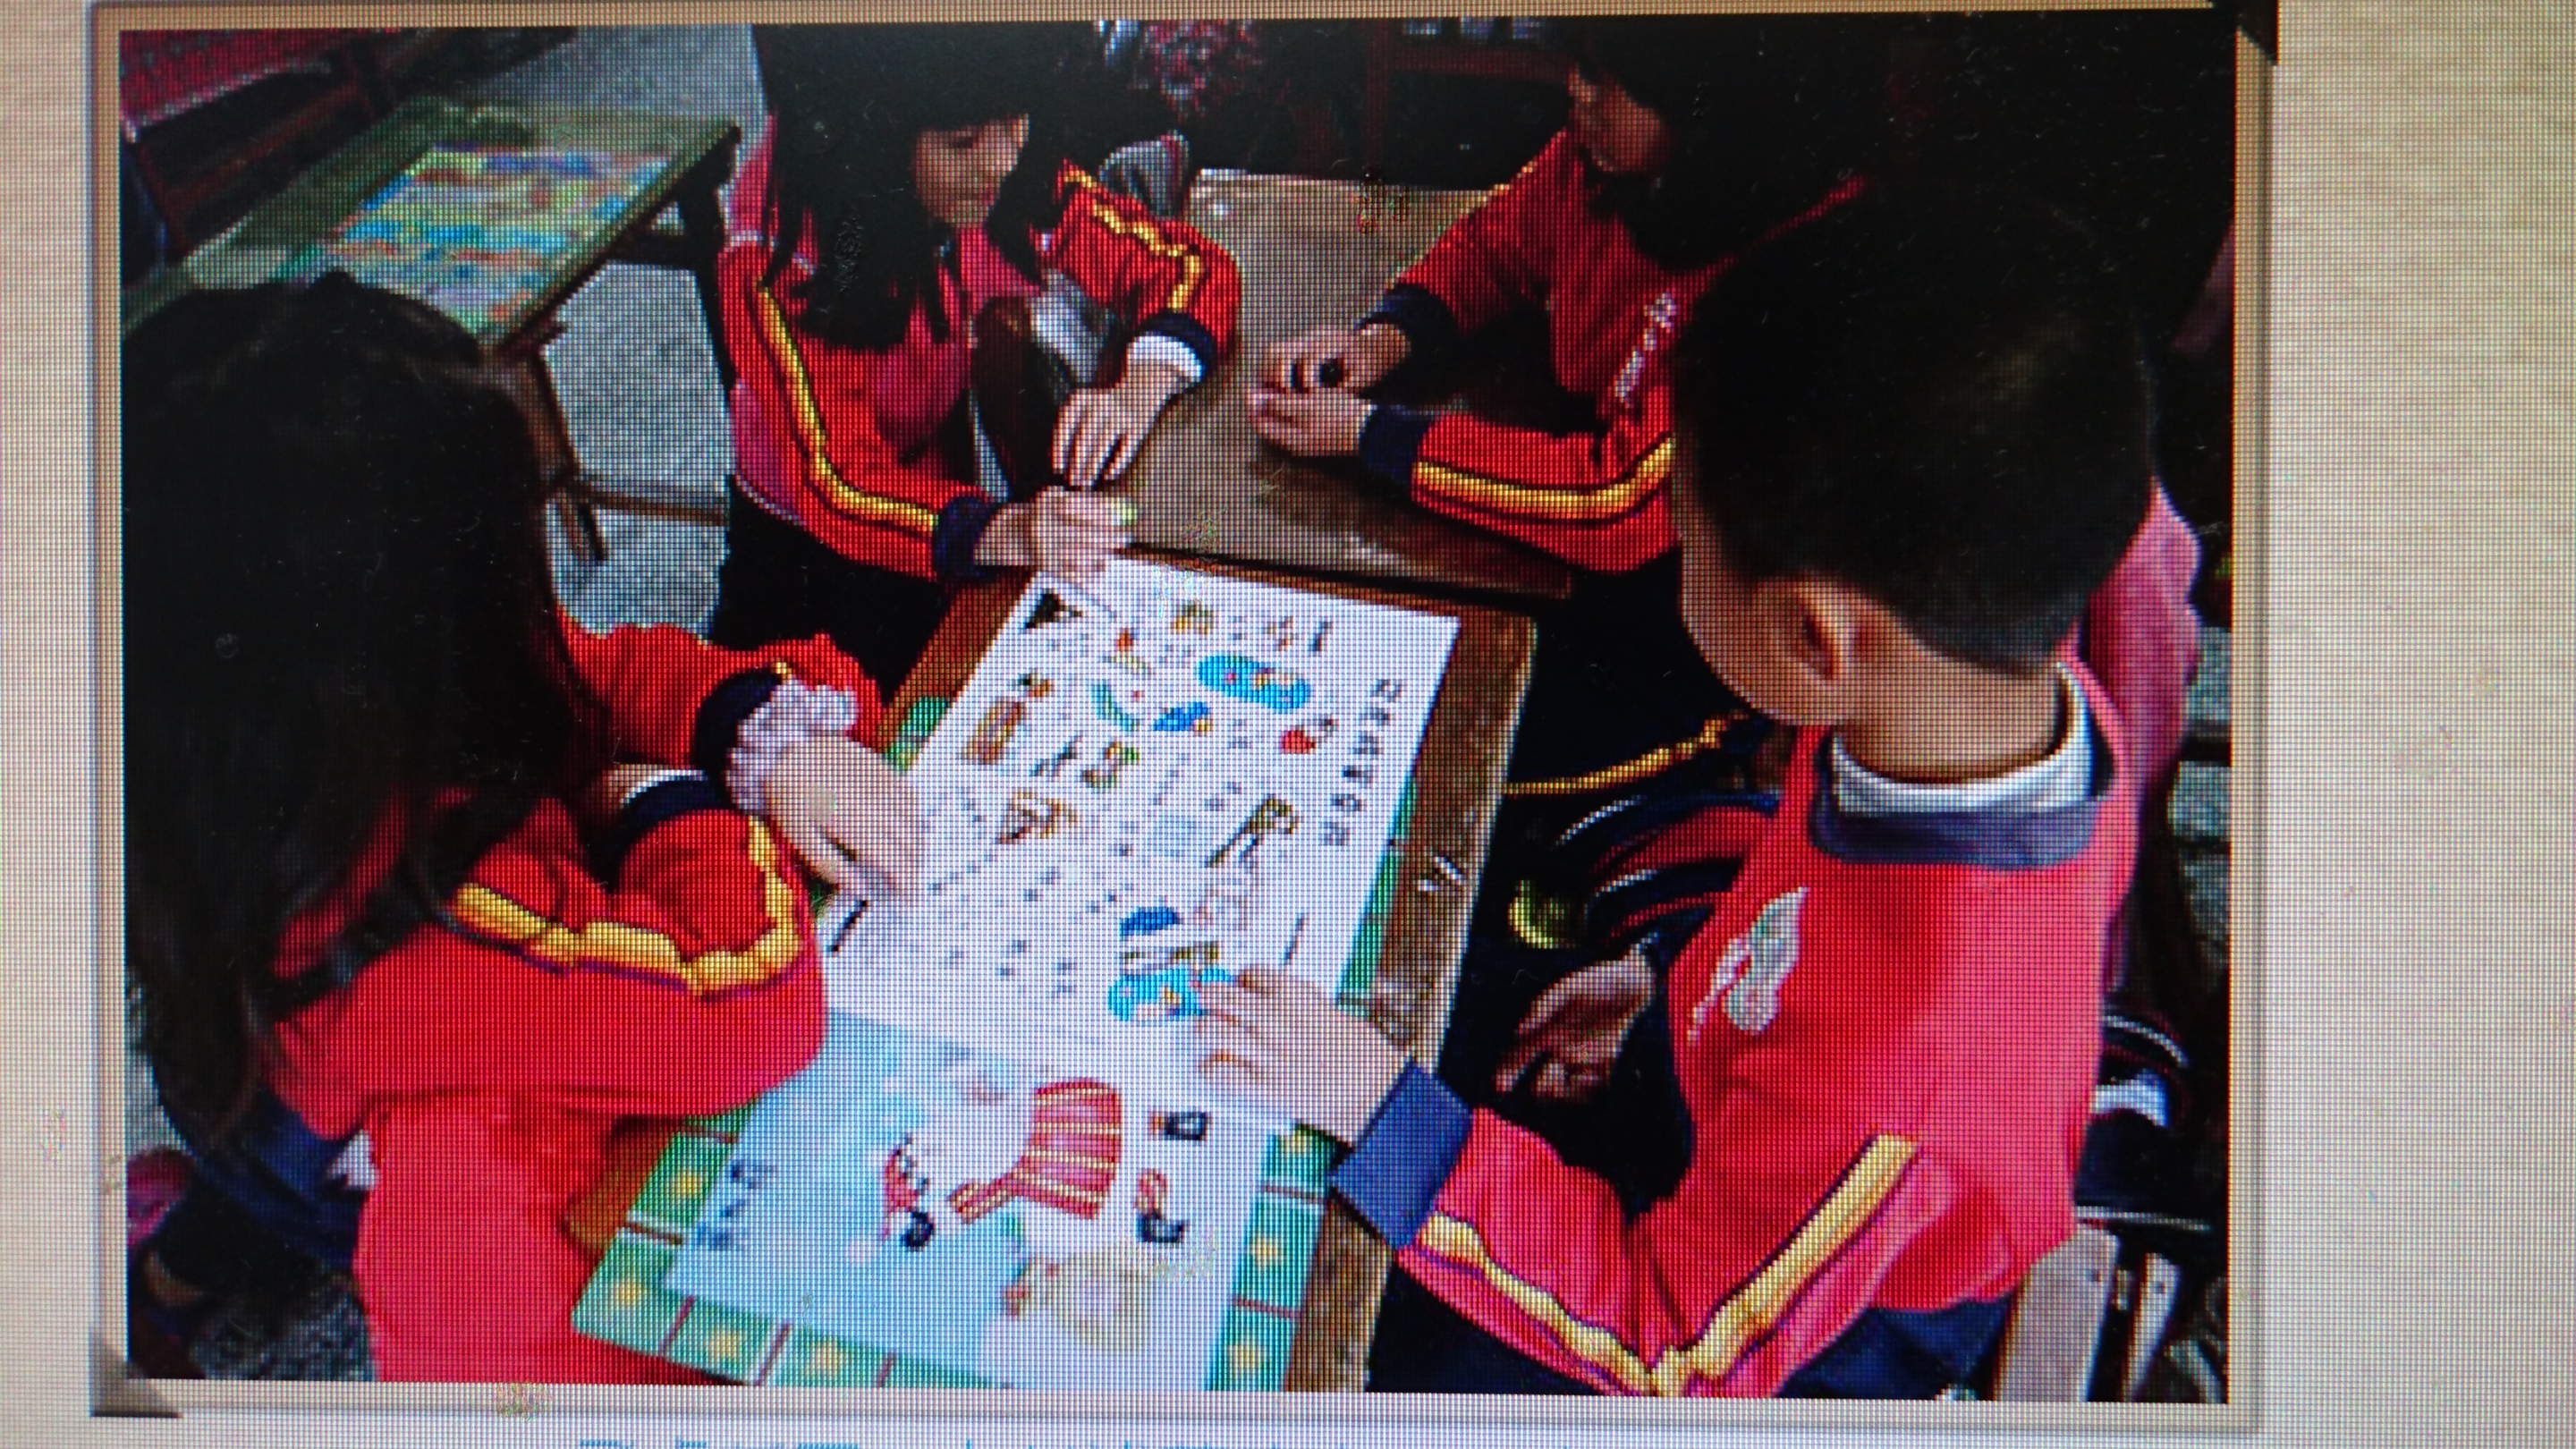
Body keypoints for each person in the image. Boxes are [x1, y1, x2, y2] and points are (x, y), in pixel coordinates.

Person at [1194, 182, 2157, 1396]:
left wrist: (1381, 1109)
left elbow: (1670, 1345)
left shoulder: (1906, 1074)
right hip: (1747, 1129)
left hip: (1763, 1336)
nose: (1678, 566)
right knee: (1469, 985)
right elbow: (1809, 921)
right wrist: (1680, 988)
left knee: (1333, 1333)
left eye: (1686, 548)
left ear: (1814, 638)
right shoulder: (2007, 710)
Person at [123, 275, 924, 1382]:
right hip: (338, 1125)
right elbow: (750, 1002)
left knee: (256, 1163)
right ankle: (179, 1275)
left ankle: (169, 1274)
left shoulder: (236, 751)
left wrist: (765, 737)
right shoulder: (434, 927)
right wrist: (658, 799)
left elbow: (588, 671)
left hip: (254, 1071)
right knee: (357, 1188)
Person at [1248, 15, 2199, 830]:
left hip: (1708, 635)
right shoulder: (1605, 163)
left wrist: (1369, 437)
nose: (1577, 92)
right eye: (1580, 63)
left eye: (1610, 78)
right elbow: (1500, 242)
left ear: (1714, 104)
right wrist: (1387, 338)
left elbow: (1619, 505)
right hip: (1653, 560)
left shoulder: (1791, 279)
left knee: (1429, 768)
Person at [709, 23, 1242, 686]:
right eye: (963, 142)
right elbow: (836, 481)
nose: (1001, 163)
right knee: (848, 729)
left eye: (1016, 122)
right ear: (874, 146)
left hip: (940, 509)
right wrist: (1010, 531)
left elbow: (1190, 267)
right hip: (808, 559)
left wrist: (1143, 383)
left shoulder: (997, 165)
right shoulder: (781, 259)